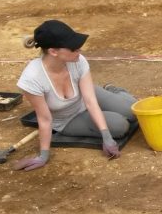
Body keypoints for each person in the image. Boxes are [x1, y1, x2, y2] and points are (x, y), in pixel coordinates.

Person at [14, 20, 137, 171]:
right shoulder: (32, 78)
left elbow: (90, 101)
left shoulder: (78, 60)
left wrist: (106, 136)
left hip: (86, 96)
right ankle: (114, 97)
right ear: (53, 51)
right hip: (68, 119)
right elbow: (45, 119)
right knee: (120, 126)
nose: (79, 51)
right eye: (74, 49)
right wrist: (43, 156)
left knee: (134, 111)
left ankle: (115, 91)